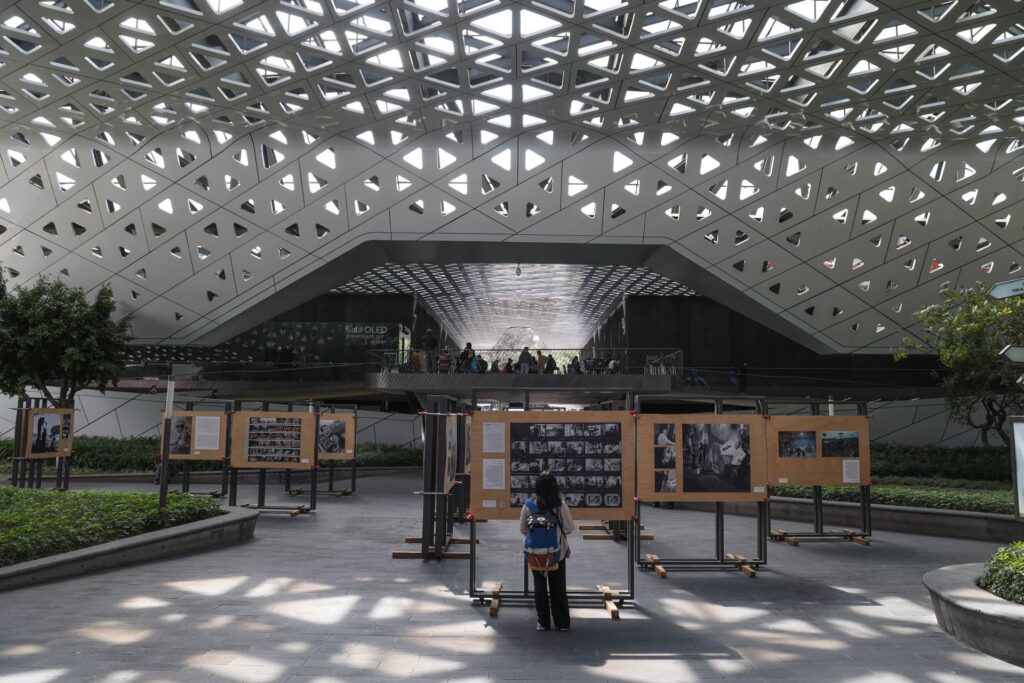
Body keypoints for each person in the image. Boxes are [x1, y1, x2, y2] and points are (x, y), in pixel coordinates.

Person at [519, 471, 574, 631]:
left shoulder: (528, 505)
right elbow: (569, 528)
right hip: (557, 553)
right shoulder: (560, 505)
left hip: (535, 554)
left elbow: (522, 529)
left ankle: (543, 621)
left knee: (539, 587)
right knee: (558, 587)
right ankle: (562, 622)